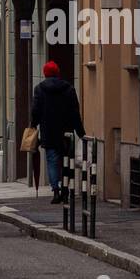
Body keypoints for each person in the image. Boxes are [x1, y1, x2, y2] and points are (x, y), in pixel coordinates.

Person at [30, 60, 85, 204]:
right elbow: (75, 112)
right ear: (57, 72)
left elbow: (35, 111)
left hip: (49, 132)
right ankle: (66, 190)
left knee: (52, 161)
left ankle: (56, 190)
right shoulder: (69, 89)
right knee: (67, 160)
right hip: (66, 132)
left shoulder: (39, 89)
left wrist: (32, 126)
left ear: (45, 73)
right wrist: (81, 132)